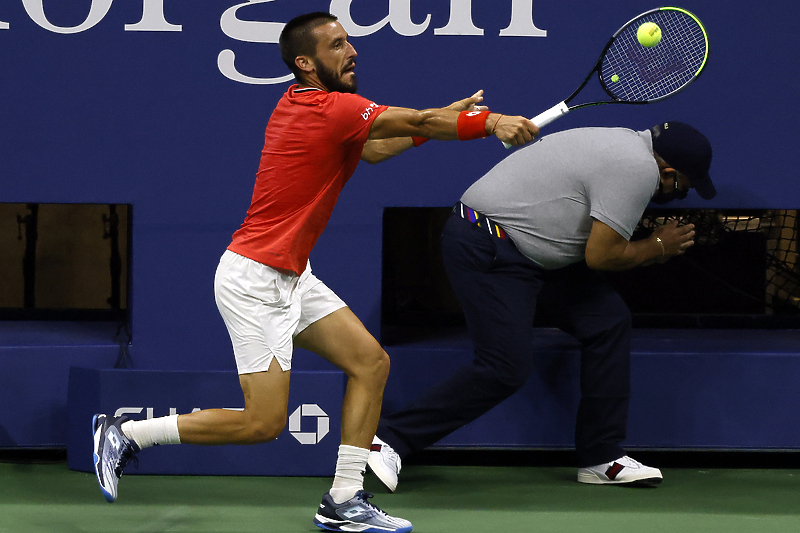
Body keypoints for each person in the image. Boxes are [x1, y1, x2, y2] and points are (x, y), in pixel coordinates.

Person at [90, 11, 537, 533]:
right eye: (337, 45)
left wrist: (439, 124)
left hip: (290, 276)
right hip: (256, 282)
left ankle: (344, 498)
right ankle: (129, 432)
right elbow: (415, 121)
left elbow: (376, 148)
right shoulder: (328, 109)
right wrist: (491, 124)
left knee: (370, 363)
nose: (352, 52)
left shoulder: (314, 108)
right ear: (305, 62)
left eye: (350, 42)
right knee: (263, 424)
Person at [369, 122, 715, 492]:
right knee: (504, 368)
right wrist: (657, 246)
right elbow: (601, 255)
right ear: (668, 173)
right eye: (683, 187)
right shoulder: (637, 168)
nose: (681, 195)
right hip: (489, 246)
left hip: (533, 255)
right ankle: (388, 439)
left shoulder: (623, 142)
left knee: (608, 320)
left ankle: (601, 456)